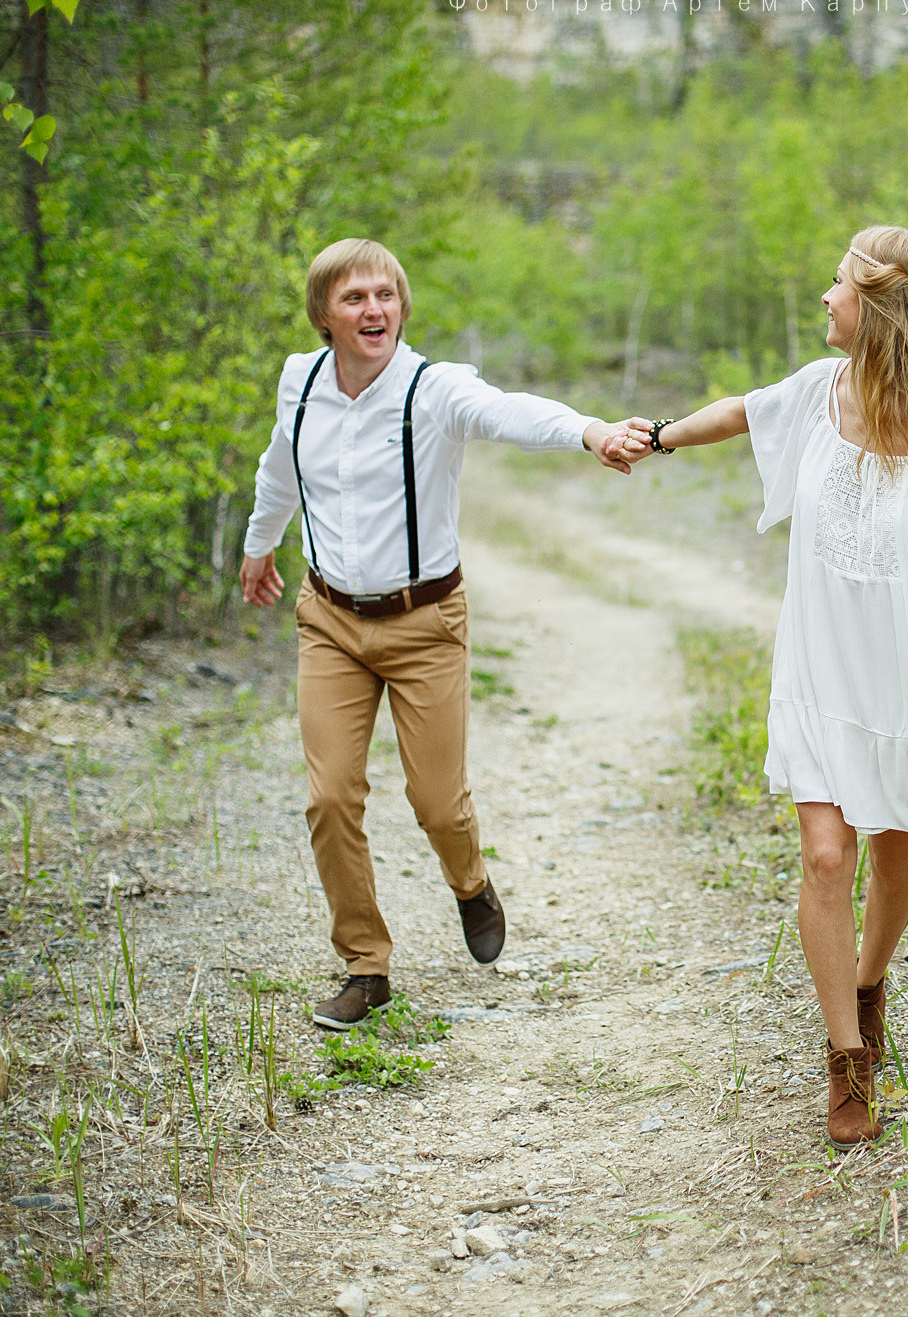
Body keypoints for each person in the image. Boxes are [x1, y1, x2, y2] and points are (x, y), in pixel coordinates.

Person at [610, 225, 908, 1148]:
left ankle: (869, 984)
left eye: (835, 283)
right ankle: (847, 1062)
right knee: (829, 856)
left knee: (898, 852)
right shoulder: (817, 391)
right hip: (822, 669)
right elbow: (738, 412)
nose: (822, 298)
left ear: (875, 306)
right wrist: (655, 438)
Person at [238, 238, 647, 1031]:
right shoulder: (302, 379)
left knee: (436, 801)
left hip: (425, 621)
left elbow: (510, 411)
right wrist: (261, 543)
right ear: (324, 313)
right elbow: (278, 468)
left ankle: (470, 882)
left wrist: (591, 431)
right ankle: (365, 965)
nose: (375, 310)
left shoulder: (434, 389)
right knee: (329, 796)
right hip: (329, 620)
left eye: (386, 295)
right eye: (355, 297)